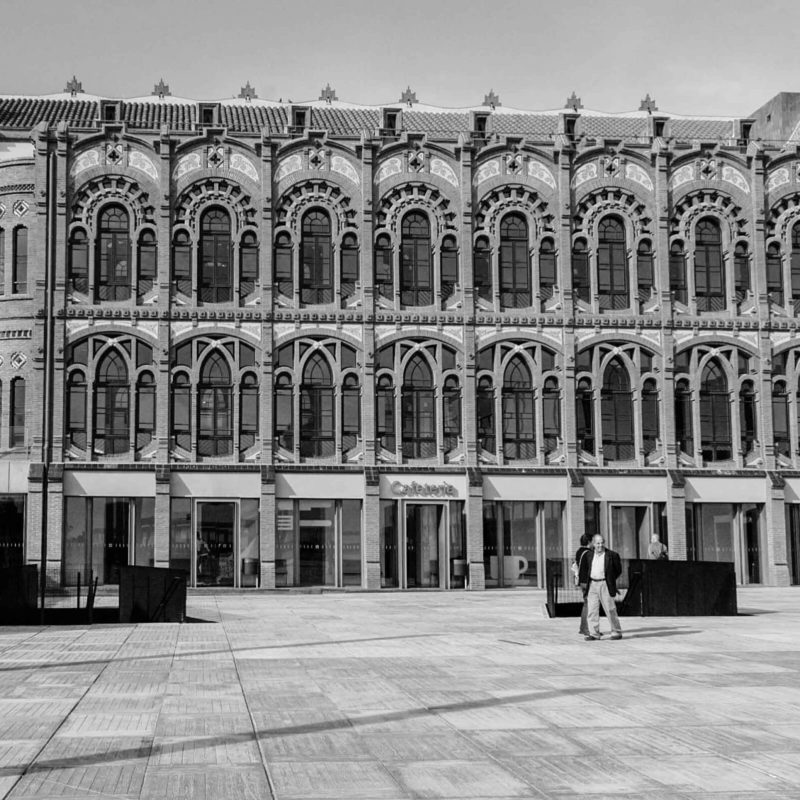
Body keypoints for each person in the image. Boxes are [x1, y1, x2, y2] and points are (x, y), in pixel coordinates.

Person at [578, 533, 623, 640]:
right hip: (592, 584)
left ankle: (616, 631)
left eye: (602, 543)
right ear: (593, 544)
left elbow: (618, 570)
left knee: (610, 609)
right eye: (598, 543)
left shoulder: (612, 555)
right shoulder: (589, 555)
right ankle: (594, 633)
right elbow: (585, 569)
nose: (600, 545)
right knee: (592, 610)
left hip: (605, 584)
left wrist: (610, 580)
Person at [574, 534, 592, 637]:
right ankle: (586, 629)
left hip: (582, 581)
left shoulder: (579, 551)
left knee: (586, 603)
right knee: (589, 605)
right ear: (589, 542)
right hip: (588, 581)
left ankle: (582, 627)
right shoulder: (589, 553)